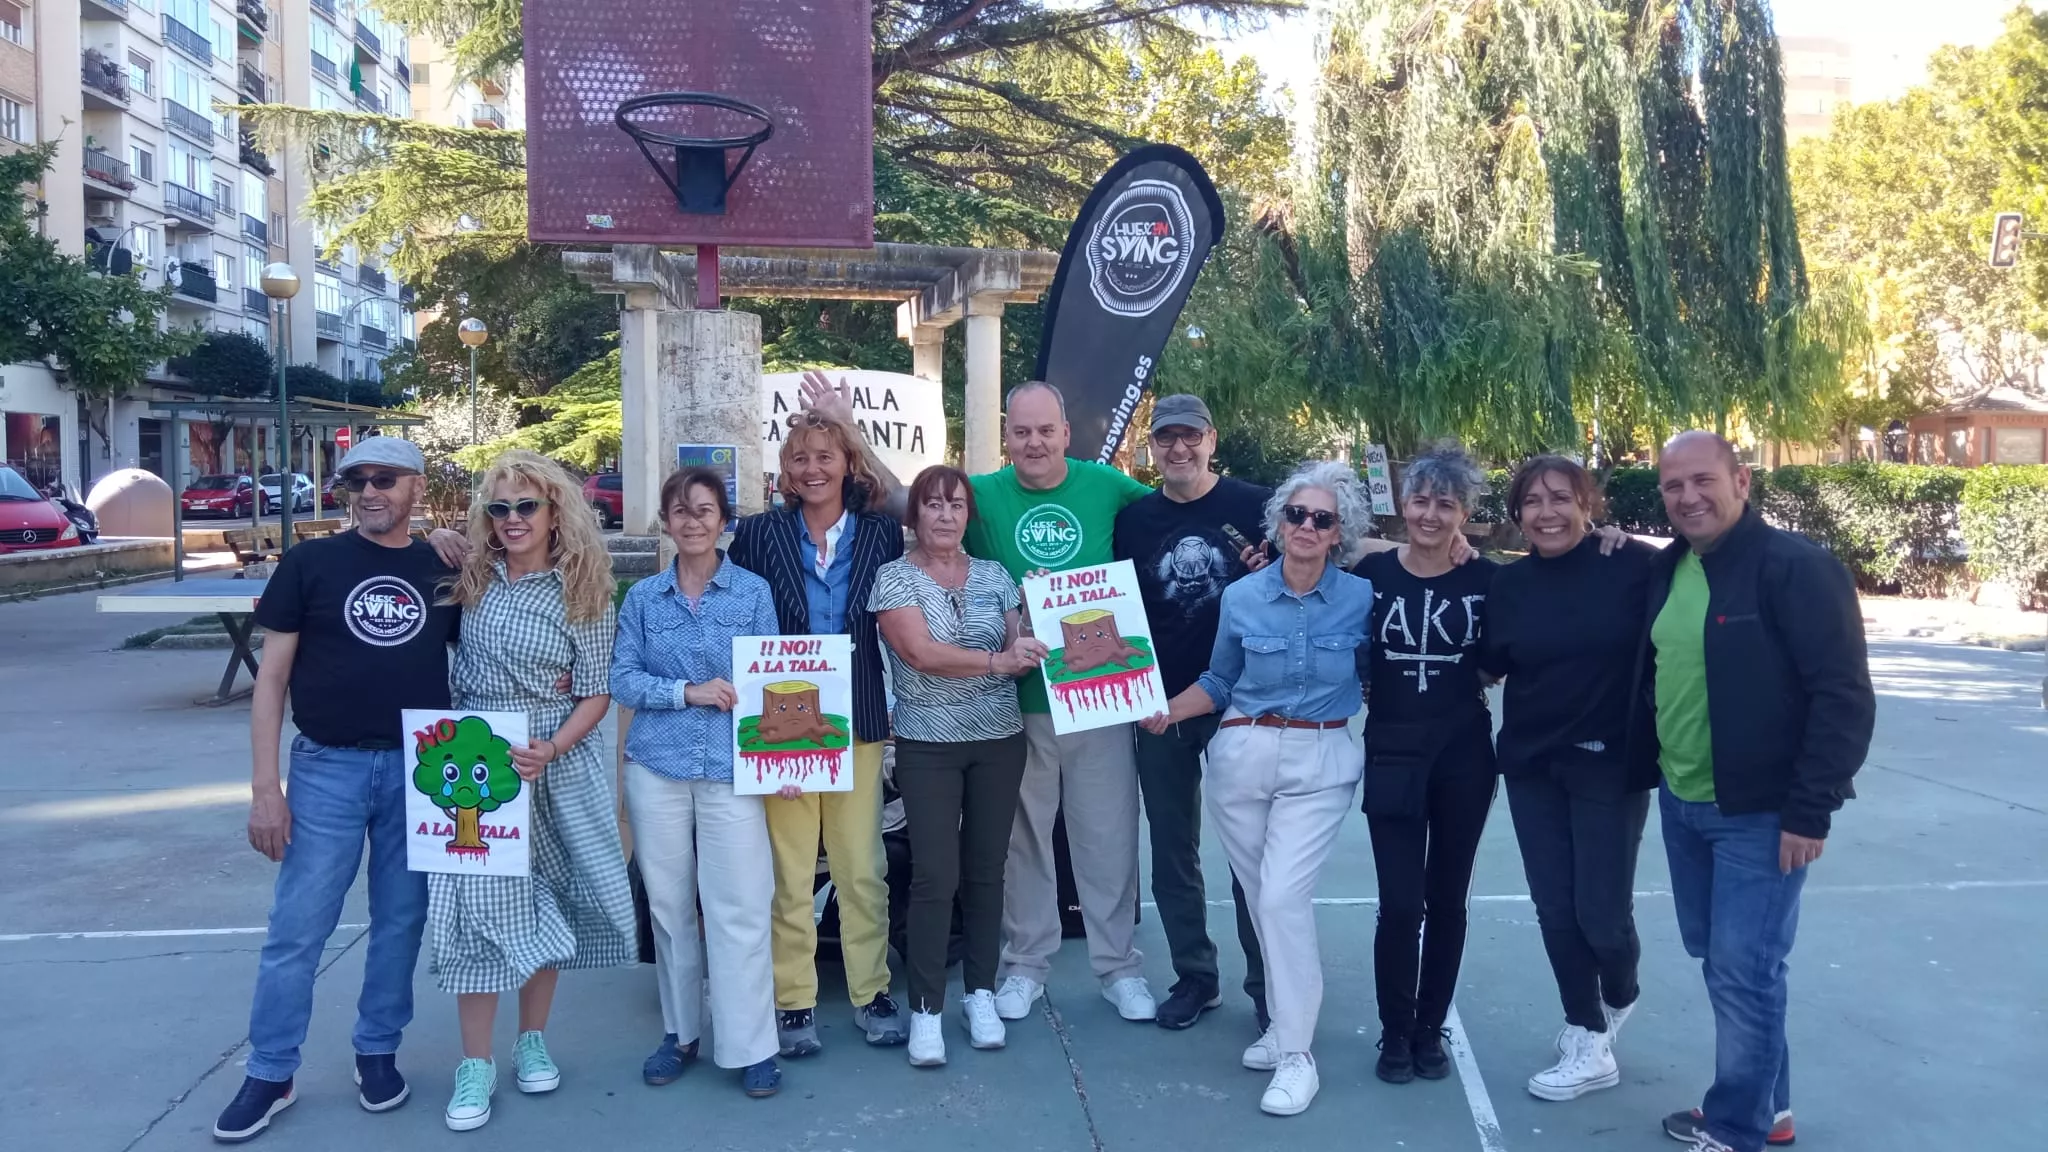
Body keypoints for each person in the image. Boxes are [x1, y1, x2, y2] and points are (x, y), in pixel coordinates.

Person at [214, 437, 463, 1144]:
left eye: (385, 479)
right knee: (297, 929)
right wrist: (267, 789)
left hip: (421, 770)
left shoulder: (443, 567)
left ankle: (377, 1051)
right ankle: (271, 1070)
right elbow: (270, 680)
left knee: (400, 921)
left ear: (416, 487)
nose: (368, 491)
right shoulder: (310, 563)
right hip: (326, 768)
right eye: (356, 480)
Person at [1635, 432, 1873, 1152]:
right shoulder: (1671, 567)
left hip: (1762, 814)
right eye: (1673, 487)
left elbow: (1843, 697)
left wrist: (1811, 808)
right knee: (1732, 965)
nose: (1688, 498)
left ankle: (1736, 1130)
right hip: (1683, 802)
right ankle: (1768, 1107)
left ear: (1742, 480)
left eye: (1703, 481)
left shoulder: (1794, 568)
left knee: (1744, 972)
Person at [1143, 461, 1376, 1117]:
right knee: (1259, 897)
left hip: (1321, 759)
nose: (1306, 526)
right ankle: (1281, 1028)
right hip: (1242, 754)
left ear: (1338, 533)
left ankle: (1298, 1055)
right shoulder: (1242, 597)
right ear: (1278, 523)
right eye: (1296, 515)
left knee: (1280, 899)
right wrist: (1166, 710)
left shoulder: (1362, 598)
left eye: (1321, 519)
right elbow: (1219, 682)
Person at [430, 449, 634, 1131]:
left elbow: (597, 690)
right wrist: (434, 537)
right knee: (474, 905)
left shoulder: (584, 587)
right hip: (478, 758)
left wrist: (553, 746)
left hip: (552, 759)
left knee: (548, 896)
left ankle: (533, 1038)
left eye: (526, 506)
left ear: (554, 512)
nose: (513, 519)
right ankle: (476, 1062)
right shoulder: (469, 574)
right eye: (500, 507)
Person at [964, 382, 1160, 1023]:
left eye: (1045, 430)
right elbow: (908, 503)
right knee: (1026, 841)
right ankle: (1025, 965)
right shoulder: (985, 494)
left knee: (1107, 837)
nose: (1034, 442)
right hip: (1017, 700)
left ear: (1066, 433)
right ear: (1007, 437)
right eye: (1021, 432)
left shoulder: (1106, 485)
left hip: (1101, 698)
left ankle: (1118, 967)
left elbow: (1178, 512)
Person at [728, 410, 909, 1056]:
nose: (812, 469)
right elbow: (729, 604)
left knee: (862, 865)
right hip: (782, 725)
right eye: (800, 457)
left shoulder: (884, 535)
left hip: (857, 716)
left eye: (825, 456)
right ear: (786, 469)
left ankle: (872, 989)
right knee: (791, 869)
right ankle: (794, 999)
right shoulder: (757, 533)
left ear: (847, 464)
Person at [1483, 456, 1661, 1102]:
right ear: (1518, 517)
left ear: (1589, 507)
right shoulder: (1510, 587)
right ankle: (1585, 1033)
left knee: (1603, 916)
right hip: (1533, 766)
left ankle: (1619, 992)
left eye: (1562, 498)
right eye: (1532, 501)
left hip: (1610, 765)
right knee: (1555, 908)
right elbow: (1487, 665)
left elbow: (1696, 567)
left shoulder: (1633, 566)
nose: (1547, 512)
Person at [610, 466, 786, 1099]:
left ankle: (751, 1044)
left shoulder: (753, 593)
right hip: (657, 768)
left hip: (733, 771)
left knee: (739, 907)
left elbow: (774, 684)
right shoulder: (641, 599)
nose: (692, 521)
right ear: (666, 520)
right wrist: (686, 693)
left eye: (704, 510)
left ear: (724, 521)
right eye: (681, 511)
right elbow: (623, 680)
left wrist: (789, 759)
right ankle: (680, 1033)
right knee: (669, 907)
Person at [869, 465, 1046, 1066]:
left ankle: (980, 993)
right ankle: (925, 1009)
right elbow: (920, 655)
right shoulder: (892, 579)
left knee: (986, 872)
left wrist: (1039, 616)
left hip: (999, 739)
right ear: (914, 515)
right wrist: (998, 663)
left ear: (970, 515)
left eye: (956, 505)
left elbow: (1021, 640)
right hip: (927, 747)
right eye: (933, 505)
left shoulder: (997, 576)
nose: (945, 515)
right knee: (934, 876)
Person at [1111, 394, 1271, 1032]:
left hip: (1246, 702)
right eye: (1166, 438)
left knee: (1248, 851)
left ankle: (1266, 983)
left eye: (1190, 437)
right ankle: (1195, 976)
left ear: (1211, 439)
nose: (1179, 449)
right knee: (1174, 848)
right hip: (1160, 705)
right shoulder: (1134, 520)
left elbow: (1324, 551)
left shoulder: (1256, 505)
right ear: (1153, 447)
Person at [1348, 444, 1500, 1087]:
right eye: (1420, 501)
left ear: (1464, 510)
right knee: (1400, 903)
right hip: (1392, 749)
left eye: (1446, 503)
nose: (1431, 516)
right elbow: (1291, 552)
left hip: (1464, 753)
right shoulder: (1370, 574)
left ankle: (1428, 1028)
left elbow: (1502, 657)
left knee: (1448, 901)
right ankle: (1394, 1031)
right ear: (1401, 505)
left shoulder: (1488, 580)